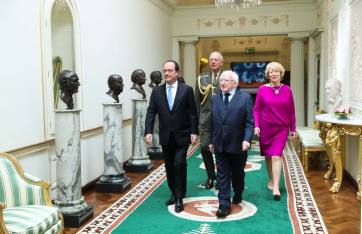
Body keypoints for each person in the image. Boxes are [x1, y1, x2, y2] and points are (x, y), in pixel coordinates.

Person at [145, 60, 198, 213]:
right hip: (165, 135)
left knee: (179, 163)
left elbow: (193, 113)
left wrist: (194, 132)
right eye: (164, 70)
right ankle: (174, 193)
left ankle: (180, 197)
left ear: (177, 73)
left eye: (170, 70)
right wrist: (148, 131)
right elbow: (151, 112)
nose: (166, 73)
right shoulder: (156, 92)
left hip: (182, 134)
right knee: (169, 165)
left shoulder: (186, 90)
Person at [209, 71, 254, 218]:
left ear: (235, 83)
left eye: (227, 80)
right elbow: (213, 122)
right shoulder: (215, 99)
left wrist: (247, 139)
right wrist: (211, 141)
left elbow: (249, 122)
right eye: (221, 80)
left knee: (237, 172)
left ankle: (238, 191)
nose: (223, 83)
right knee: (222, 173)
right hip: (220, 143)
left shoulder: (245, 98)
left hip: (238, 143)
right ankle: (223, 204)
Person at [253, 62, 296, 200]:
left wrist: (293, 127)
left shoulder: (287, 90)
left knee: (276, 155)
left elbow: (291, 111)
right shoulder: (262, 89)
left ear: (281, 73)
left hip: (282, 128)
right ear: (268, 74)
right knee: (267, 155)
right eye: (271, 72)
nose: (274, 74)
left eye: (276, 71)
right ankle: (271, 179)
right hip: (266, 127)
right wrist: (257, 125)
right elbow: (257, 109)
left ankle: (276, 187)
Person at [195, 52, 224, 189]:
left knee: (221, 149)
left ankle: (221, 177)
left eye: (216, 60)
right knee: (205, 147)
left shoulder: (227, 77)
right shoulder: (202, 79)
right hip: (206, 119)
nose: (212, 62)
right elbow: (196, 101)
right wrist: (195, 123)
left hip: (223, 119)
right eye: (211, 60)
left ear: (221, 62)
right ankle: (210, 175)